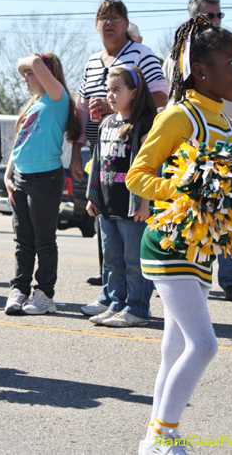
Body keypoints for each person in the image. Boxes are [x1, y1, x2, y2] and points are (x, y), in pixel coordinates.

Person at [127, 16, 232, 454]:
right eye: (231, 63)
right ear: (200, 70)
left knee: (175, 346)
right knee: (204, 345)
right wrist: (184, 189)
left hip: (201, 250)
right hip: (168, 243)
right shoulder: (180, 116)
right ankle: (162, 435)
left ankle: (153, 437)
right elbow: (137, 176)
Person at [163, 0, 232, 302]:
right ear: (194, 19)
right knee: (189, 216)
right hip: (188, 155)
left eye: (219, 15)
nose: (216, 21)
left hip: (227, 153)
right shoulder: (176, 59)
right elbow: (172, 105)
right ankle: (181, 274)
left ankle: (231, 280)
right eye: (210, 16)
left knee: (228, 213)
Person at [72, 0, 168, 292]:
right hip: (101, 151)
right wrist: (75, 150)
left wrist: (116, 108)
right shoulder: (91, 61)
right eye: (104, 18)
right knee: (108, 234)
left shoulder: (142, 54)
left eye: (116, 17)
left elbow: (161, 96)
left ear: (127, 24)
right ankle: (112, 294)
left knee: (131, 243)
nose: (109, 23)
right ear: (96, 24)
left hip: (134, 154)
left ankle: (135, 300)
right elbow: (81, 109)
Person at [4, 52, 81, 316]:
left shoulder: (57, 98)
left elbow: (32, 62)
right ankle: (19, 289)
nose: (26, 78)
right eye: (25, 75)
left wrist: (33, 65)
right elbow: (20, 143)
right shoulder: (35, 104)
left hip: (45, 180)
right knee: (23, 240)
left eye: (31, 75)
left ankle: (45, 295)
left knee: (44, 241)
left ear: (47, 75)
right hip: (21, 178)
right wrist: (8, 176)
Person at [83, 65, 156, 327]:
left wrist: (145, 203)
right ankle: (116, 303)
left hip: (132, 205)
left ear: (134, 92)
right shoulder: (107, 122)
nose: (110, 95)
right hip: (107, 202)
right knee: (112, 260)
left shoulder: (145, 124)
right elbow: (97, 161)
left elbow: (150, 167)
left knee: (134, 261)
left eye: (117, 90)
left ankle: (137, 309)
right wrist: (93, 197)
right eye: (108, 90)